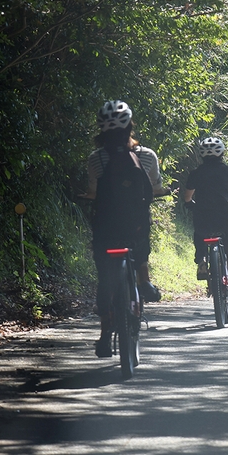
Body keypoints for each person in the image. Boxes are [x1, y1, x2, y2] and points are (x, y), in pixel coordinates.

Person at [83, 100, 165, 357]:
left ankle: (104, 335)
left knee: (104, 278)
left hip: (106, 226)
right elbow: (155, 187)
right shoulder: (147, 155)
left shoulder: (96, 158)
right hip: (135, 226)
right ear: (130, 126)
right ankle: (144, 282)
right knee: (140, 250)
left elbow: (93, 192)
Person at [182, 137, 228, 310]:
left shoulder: (196, 173)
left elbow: (187, 196)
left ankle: (202, 258)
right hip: (225, 217)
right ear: (222, 153)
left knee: (199, 232)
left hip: (203, 216)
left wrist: (190, 204)